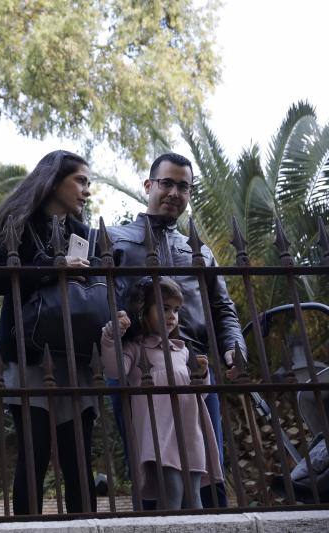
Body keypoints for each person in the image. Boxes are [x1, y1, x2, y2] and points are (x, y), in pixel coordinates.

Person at [107, 152, 246, 508]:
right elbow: (94, 300)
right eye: (166, 183)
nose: (174, 192)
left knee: (206, 468)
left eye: (183, 186)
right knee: (149, 469)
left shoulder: (198, 250)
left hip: (195, 368)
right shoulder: (114, 240)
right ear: (149, 185)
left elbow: (222, 309)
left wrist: (233, 346)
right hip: (138, 370)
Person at [0, 150, 98, 515]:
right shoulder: (18, 222)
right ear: (54, 180)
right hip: (28, 352)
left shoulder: (82, 232)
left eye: (88, 184)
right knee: (34, 455)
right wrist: (55, 266)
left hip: (73, 355)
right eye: (81, 181)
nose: (86, 191)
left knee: (79, 462)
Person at [101, 277, 225, 510]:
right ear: (143, 311)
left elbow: (201, 395)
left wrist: (203, 374)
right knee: (172, 492)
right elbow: (114, 370)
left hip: (188, 434)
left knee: (194, 497)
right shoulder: (135, 348)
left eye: (176, 310)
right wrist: (111, 337)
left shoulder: (182, 350)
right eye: (165, 308)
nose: (172, 316)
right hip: (160, 437)